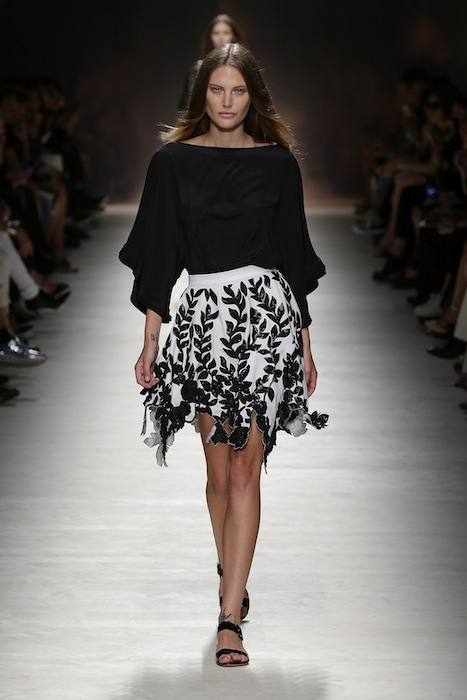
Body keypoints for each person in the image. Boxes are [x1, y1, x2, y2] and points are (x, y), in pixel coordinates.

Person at [119, 43, 328, 668]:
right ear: (201, 95)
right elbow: (160, 252)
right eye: (217, 90)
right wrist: (151, 339)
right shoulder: (171, 163)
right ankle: (229, 569)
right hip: (205, 322)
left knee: (244, 470)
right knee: (216, 474)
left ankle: (229, 617)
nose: (228, 101)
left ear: (253, 95)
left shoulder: (278, 165)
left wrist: (305, 343)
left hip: (266, 321)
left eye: (238, 90)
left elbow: (293, 255)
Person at [178, 13, 243, 111]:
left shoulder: (244, 68)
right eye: (216, 33)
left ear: (234, 36)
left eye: (226, 33)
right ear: (210, 37)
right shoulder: (197, 70)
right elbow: (186, 106)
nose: (221, 37)